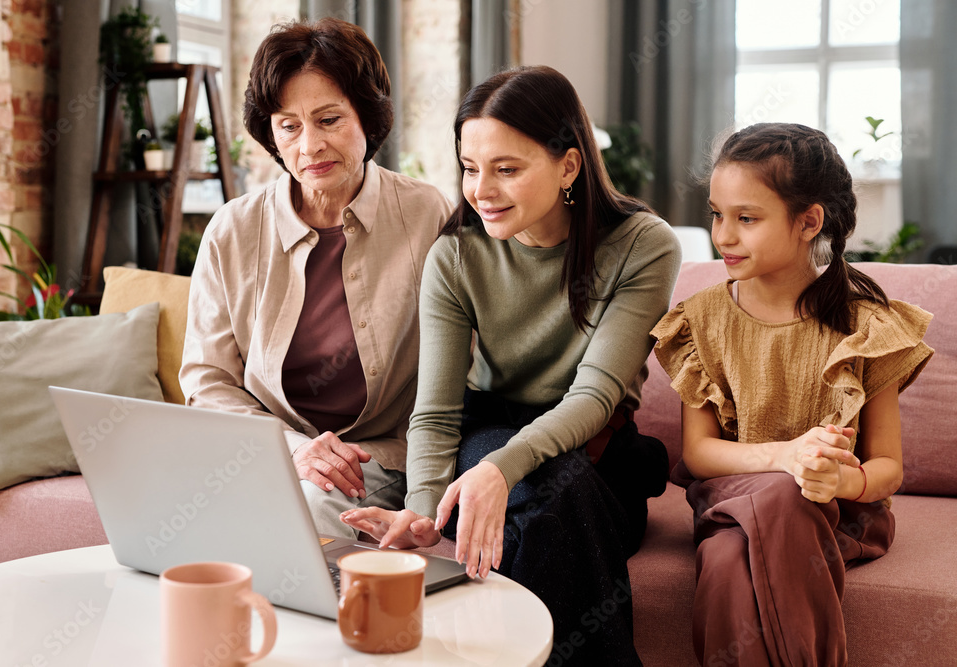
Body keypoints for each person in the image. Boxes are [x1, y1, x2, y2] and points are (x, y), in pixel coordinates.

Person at [342, 65, 682, 665]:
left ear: (569, 166)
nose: (481, 190)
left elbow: (594, 398)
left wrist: (500, 472)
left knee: (561, 494)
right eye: (470, 168)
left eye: (507, 169)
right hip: (491, 429)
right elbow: (438, 410)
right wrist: (422, 510)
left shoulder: (641, 245)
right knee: (557, 495)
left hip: (596, 453)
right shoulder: (454, 256)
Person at [650, 123, 934, 666]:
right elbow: (699, 454)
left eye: (746, 218)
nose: (723, 236)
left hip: (840, 513)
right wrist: (785, 457)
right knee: (777, 494)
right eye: (716, 214)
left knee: (742, 548)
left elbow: (888, 468)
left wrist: (840, 478)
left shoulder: (864, 325)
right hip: (733, 502)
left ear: (809, 222)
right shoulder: (702, 319)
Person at [180, 19, 451, 538]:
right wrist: (295, 448)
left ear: (366, 119)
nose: (310, 145)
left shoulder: (424, 214)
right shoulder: (233, 230)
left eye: (329, 119)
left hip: (377, 456)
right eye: (289, 126)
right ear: (271, 134)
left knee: (307, 510)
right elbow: (206, 379)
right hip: (265, 452)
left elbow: (460, 362)